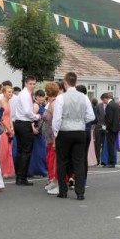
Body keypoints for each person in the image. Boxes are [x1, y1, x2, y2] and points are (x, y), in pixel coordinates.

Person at [52, 72, 95, 200]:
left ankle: (63, 191)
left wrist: (56, 133)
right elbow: (91, 116)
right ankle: (80, 192)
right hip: (80, 131)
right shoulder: (84, 97)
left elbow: (57, 119)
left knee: (62, 161)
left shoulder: (61, 98)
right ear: (75, 82)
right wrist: (80, 121)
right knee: (79, 162)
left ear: (65, 82)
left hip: (65, 131)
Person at [13, 75, 40, 186]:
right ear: (25, 83)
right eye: (30, 83)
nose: (32, 86)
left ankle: (19, 176)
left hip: (20, 123)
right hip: (24, 123)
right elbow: (27, 112)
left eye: (34, 84)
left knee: (21, 151)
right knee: (26, 151)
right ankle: (21, 177)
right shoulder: (24, 95)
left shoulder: (25, 94)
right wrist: (37, 117)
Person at [42, 81, 60, 195]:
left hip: (53, 136)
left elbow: (56, 121)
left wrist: (55, 139)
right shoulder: (50, 102)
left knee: (53, 159)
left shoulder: (53, 103)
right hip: (49, 135)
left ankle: (56, 181)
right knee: (50, 158)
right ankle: (53, 180)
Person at [28, 89, 48, 177]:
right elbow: (31, 118)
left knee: (41, 151)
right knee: (38, 152)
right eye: (40, 96)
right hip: (36, 131)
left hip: (41, 131)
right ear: (36, 97)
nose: (42, 98)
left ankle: (39, 169)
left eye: (43, 96)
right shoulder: (36, 105)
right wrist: (33, 128)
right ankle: (37, 170)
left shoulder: (41, 105)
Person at [0, 85, 15, 179]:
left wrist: (12, 128)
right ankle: (2, 170)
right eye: (9, 92)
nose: (11, 93)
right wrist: (8, 128)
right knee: (3, 149)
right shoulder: (2, 102)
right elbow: (1, 118)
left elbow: (10, 116)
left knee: (9, 149)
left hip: (9, 126)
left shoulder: (8, 102)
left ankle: (7, 170)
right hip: (3, 128)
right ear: (4, 93)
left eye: (11, 92)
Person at [102, 93, 120, 168]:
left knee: (110, 146)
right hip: (116, 127)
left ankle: (111, 162)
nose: (104, 102)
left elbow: (109, 119)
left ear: (105, 98)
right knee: (113, 145)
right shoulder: (116, 105)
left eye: (103, 100)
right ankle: (113, 161)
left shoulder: (109, 106)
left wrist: (107, 128)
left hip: (111, 128)